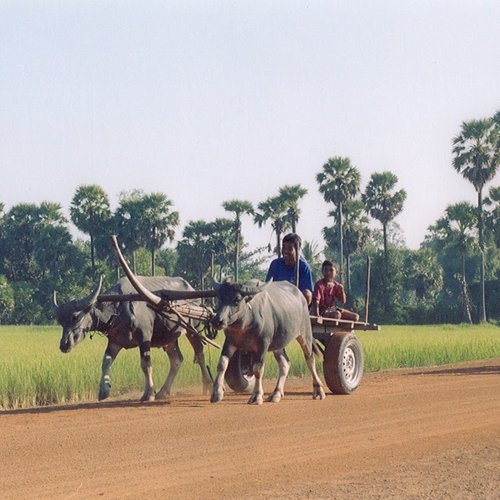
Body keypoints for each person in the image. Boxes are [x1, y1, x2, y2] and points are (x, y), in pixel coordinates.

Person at [265, 233, 314, 305]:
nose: (285, 251)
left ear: (297, 250)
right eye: (284, 248)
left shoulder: (303, 267)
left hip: (295, 302)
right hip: (277, 300)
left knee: (307, 294)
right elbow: (268, 286)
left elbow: (308, 292)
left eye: (290, 249)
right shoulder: (275, 264)